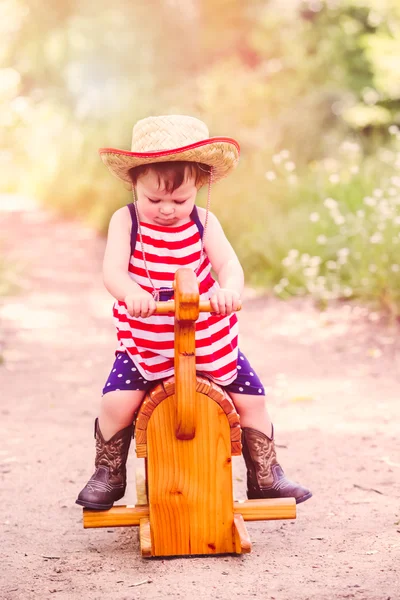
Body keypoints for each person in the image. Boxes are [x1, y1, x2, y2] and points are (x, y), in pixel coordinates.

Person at [76, 115, 312, 510]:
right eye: (154, 199)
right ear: (133, 183)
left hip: (208, 337)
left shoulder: (204, 223)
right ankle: (108, 472)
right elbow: (112, 272)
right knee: (116, 402)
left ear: (199, 187)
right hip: (147, 343)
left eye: (179, 200)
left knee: (252, 399)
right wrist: (132, 293)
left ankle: (266, 474)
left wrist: (227, 292)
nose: (167, 209)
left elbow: (231, 267)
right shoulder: (127, 221)